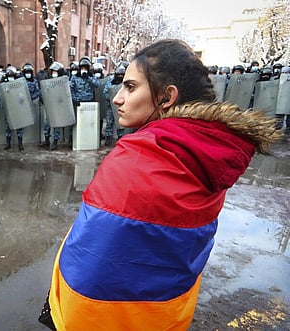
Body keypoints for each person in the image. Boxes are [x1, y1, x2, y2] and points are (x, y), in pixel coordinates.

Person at [39, 39, 281, 330]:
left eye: (130, 87)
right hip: (166, 314)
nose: (117, 98)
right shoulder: (207, 150)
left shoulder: (140, 156)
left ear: (167, 98)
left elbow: (90, 261)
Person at [68, 56, 100, 147]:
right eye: (82, 68)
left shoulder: (91, 76)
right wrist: (75, 99)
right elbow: (71, 90)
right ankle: (71, 139)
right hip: (78, 103)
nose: (83, 70)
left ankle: (87, 140)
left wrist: (88, 78)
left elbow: (97, 85)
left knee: (88, 123)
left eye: (85, 68)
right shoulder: (74, 77)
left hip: (89, 102)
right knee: (75, 123)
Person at [39, 61, 65, 150]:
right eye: (53, 71)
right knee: (47, 123)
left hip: (58, 105)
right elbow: (43, 90)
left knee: (56, 124)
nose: (54, 73)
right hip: (49, 104)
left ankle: (55, 141)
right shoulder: (48, 81)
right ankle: (46, 140)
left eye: (56, 71)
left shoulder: (62, 82)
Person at [102, 61, 128, 146]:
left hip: (122, 106)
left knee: (120, 122)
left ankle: (120, 137)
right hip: (111, 106)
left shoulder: (126, 82)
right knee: (109, 122)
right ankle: (108, 138)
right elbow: (105, 93)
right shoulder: (111, 81)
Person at [3, 65, 25, 151]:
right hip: (9, 108)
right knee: (8, 127)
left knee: (19, 126)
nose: (10, 78)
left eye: (12, 76)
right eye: (9, 77)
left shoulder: (18, 85)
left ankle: (20, 143)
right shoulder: (5, 85)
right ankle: (8, 143)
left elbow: (22, 95)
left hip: (18, 108)